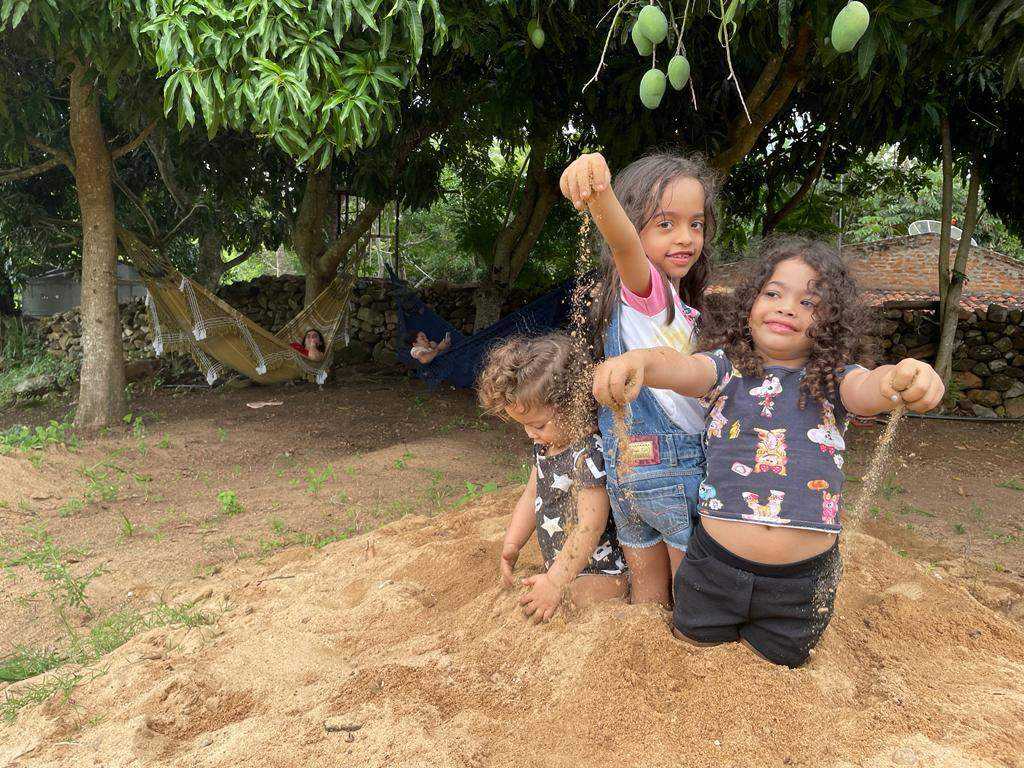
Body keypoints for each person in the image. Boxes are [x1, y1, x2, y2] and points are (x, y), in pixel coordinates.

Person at [593, 236, 944, 667]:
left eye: (810, 302)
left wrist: (904, 378)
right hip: (712, 569)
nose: (787, 307)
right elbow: (680, 367)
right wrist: (642, 363)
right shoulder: (725, 370)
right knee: (692, 658)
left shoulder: (835, 380)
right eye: (773, 294)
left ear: (832, 323)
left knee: (781, 673)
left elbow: (872, 388)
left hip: (800, 587)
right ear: (749, 305)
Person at [559, 150, 718, 605]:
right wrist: (601, 193)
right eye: (664, 224)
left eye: (696, 224)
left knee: (648, 598)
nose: (686, 238)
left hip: (626, 470)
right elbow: (624, 244)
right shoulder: (649, 293)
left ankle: (640, 655)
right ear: (635, 222)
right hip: (674, 469)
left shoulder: (665, 306)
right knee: (692, 597)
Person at [477, 333, 628, 623]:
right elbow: (530, 495)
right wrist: (513, 543)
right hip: (561, 568)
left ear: (573, 405)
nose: (530, 434)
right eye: (525, 426)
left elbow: (590, 526)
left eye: (538, 425)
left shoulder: (587, 453)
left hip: (601, 571)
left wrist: (557, 582)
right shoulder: (544, 446)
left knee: (571, 600)